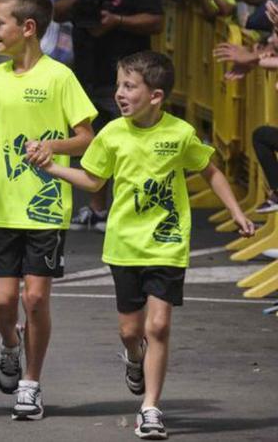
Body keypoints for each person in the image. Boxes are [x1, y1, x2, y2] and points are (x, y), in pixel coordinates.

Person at [38, 51, 255, 440]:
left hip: (167, 243)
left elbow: (210, 170)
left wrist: (237, 212)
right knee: (130, 331)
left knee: (159, 325)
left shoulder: (179, 134)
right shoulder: (112, 134)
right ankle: (133, 359)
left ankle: (150, 407)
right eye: (119, 85)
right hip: (124, 245)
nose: (120, 94)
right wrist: (53, 167)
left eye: (129, 87)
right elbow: (93, 180)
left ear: (155, 96)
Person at [0, 0, 96, 421]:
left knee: (35, 299)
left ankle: (31, 385)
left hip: (46, 208)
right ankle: (11, 345)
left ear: (28, 28)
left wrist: (53, 147)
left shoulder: (59, 77)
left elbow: (86, 138)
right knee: (1, 303)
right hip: (3, 209)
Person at [55, 0, 164, 230]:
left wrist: (117, 21)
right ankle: (96, 208)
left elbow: (156, 20)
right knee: (95, 144)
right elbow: (57, 10)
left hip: (131, 79)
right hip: (88, 72)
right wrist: (81, 4)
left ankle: (129, 209)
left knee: (130, 147)